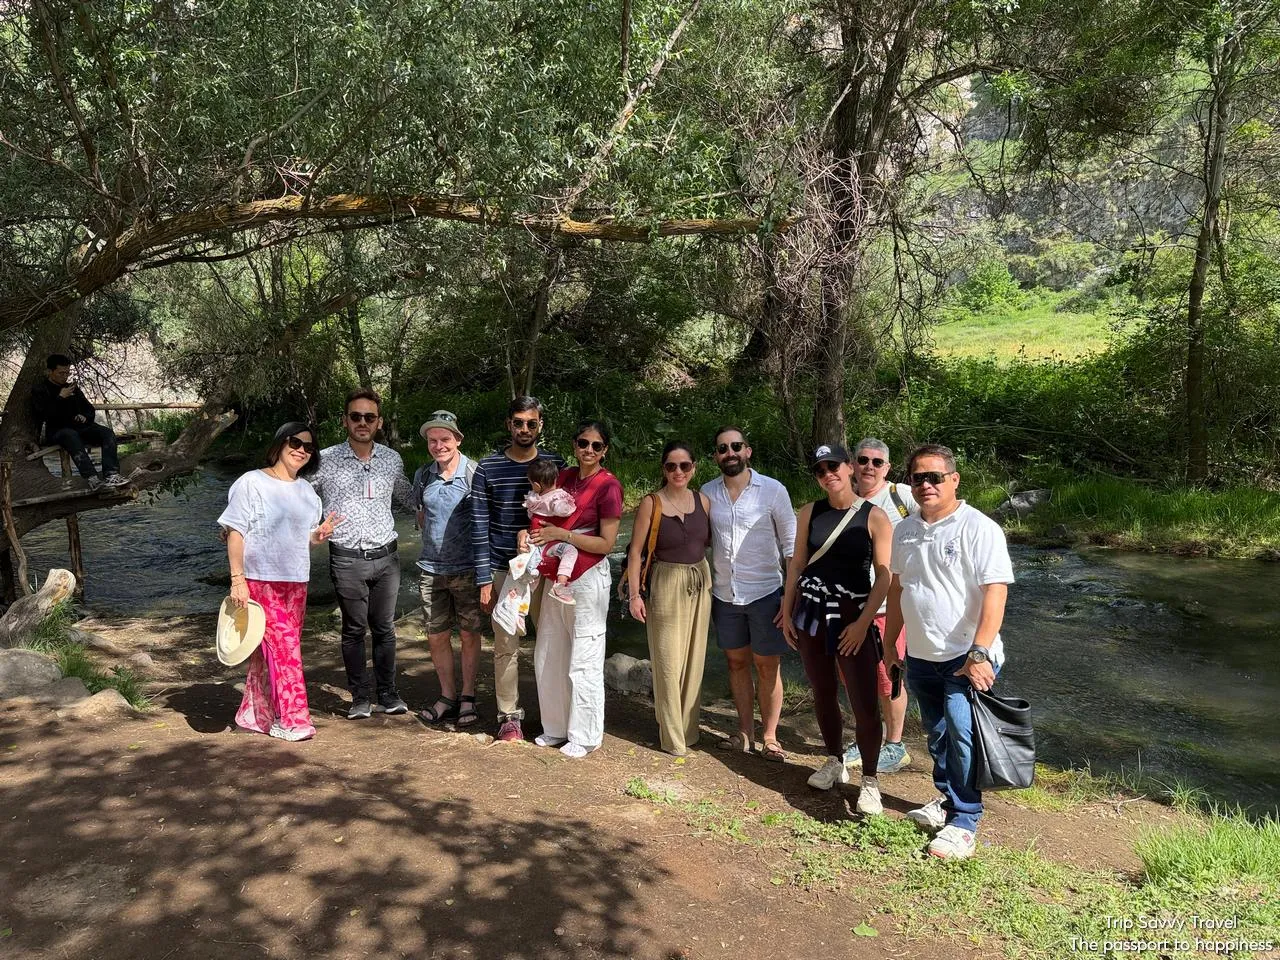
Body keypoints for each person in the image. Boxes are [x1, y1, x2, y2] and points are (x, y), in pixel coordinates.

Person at [883, 443, 1015, 860]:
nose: (925, 485)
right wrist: (890, 643)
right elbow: (899, 588)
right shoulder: (904, 530)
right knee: (938, 734)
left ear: (954, 479)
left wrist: (979, 653)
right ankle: (946, 799)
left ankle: (965, 820)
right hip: (922, 654)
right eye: (917, 478)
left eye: (934, 477)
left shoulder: (979, 528)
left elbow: (996, 593)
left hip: (966, 656)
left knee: (962, 734)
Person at [781, 444, 894, 815]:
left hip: (852, 615)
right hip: (811, 610)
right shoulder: (809, 512)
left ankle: (871, 781)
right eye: (820, 470)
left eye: (834, 466)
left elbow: (884, 577)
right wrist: (786, 609)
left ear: (849, 468)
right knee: (822, 689)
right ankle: (834, 759)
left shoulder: (874, 517)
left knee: (864, 700)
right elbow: (797, 563)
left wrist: (864, 623)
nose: (828, 474)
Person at [218, 422, 342, 741]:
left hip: (296, 581)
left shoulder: (306, 491)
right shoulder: (251, 482)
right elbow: (235, 531)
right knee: (285, 648)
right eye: (295, 442)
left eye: (309, 447)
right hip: (261, 580)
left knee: (271, 650)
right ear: (279, 443)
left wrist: (318, 535)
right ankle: (293, 720)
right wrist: (237, 580)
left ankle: (254, 713)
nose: (301, 449)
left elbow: (302, 537)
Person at [310, 388, 415, 720]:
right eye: (355, 416)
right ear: (345, 421)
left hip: (387, 559)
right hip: (346, 558)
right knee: (354, 630)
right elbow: (297, 494)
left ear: (379, 422)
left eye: (369, 417)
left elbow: (409, 498)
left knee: (384, 628)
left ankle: (388, 693)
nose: (362, 422)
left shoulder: (391, 459)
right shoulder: (324, 459)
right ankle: (360, 697)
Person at [472, 396, 565, 741]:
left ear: (540, 426)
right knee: (506, 644)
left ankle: (555, 717)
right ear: (509, 425)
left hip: (549, 569)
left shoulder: (556, 463)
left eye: (531, 423)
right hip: (503, 569)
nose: (524, 429)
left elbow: (570, 515)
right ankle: (509, 716)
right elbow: (479, 525)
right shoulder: (488, 468)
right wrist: (484, 579)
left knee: (553, 642)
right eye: (518, 423)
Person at [530, 420, 623, 758]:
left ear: (605, 450)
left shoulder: (608, 486)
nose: (589, 450)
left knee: (584, 657)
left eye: (596, 446)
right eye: (584, 443)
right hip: (557, 576)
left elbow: (607, 543)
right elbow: (542, 510)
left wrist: (563, 536)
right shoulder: (565, 477)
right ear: (575, 444)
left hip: (587, 578)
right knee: (550, 653)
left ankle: (585, 735)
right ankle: (555, 727)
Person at [703, 426, 796, 761]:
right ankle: (744, 732)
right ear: (716, 456)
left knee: (767, 665)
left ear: (748, 450)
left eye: (736, 446)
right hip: (725, 595)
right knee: (736, 662)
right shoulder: (707, 493)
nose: (730, 453)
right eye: (723, 448)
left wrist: (789, 596)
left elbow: (790, 547)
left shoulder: (772, 490)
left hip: (766, 593)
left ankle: (770, 737)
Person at [626, 441, 712, 756]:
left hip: (700, 580)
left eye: (685, 466)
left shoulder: (704, 501)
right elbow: (635, 553)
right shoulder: (652, 503)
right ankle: (673, 737)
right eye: (671, 466)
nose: (678, 472)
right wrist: (635, 595)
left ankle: (688, 730)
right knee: (667, 660)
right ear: (663, 469)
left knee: (694, 658)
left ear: (694, 468)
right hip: (666, 582)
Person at [843, 438, 918, 775]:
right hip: (849, 604)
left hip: (890, 606)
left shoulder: (902, 497)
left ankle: (895, 745)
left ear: (887, 467)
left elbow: (937, 520)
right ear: (853, 464)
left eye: (877, 462)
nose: (869, 467)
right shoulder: (844, 498)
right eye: (863, 460)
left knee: (889, 678)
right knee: (856, 678)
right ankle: (867, 736)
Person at [411, 410, 485, 727]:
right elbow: (420, 515)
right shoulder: (423, 475)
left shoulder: (474, 473)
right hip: (430, 569)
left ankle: (467, 696)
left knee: (469, 634)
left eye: (444, 439)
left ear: (457, 439)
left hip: (467, 569)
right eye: (433, 440)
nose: (438, 445)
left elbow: (484, 523)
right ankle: (447, 696)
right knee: (437, 635)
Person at [30, 354, 128, 490]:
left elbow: (89, 409)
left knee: (107, 433)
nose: (64, 376)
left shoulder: (73, 388)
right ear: (50, 371)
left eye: (67, 373)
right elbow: (45, 414)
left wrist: (84, 416)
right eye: (61, 373)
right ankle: (92, 478)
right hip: (58, 431)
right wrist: (60, 397)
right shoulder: (40, 390)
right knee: (70, 435)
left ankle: (111, 474)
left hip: (80, 427)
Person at [521, 458, 581, 605]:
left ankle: (520, 611)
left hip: (533, 540)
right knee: (570, 551)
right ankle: (560, 584)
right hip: (549, 542)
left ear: (536, 485)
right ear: (556, 478)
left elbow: (530, 514)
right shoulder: (556, 497)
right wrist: (570, 504)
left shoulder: (535, 498)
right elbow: (563, 511)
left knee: (528, 589)